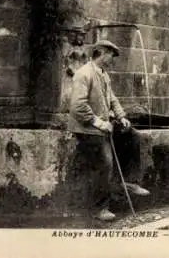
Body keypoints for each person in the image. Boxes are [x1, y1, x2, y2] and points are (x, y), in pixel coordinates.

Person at [68, 39, 150, 221]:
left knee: (133, 136)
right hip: (86, 129)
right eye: (112, 54)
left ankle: (128, 183)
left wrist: (121, 117)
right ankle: (100, 208)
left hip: (103, 126)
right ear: (102, 52)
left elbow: (112, 99)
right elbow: (77, 106)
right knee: (105, 163)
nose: (113, 59)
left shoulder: (104, 75)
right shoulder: (84, 74)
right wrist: (98, 122)